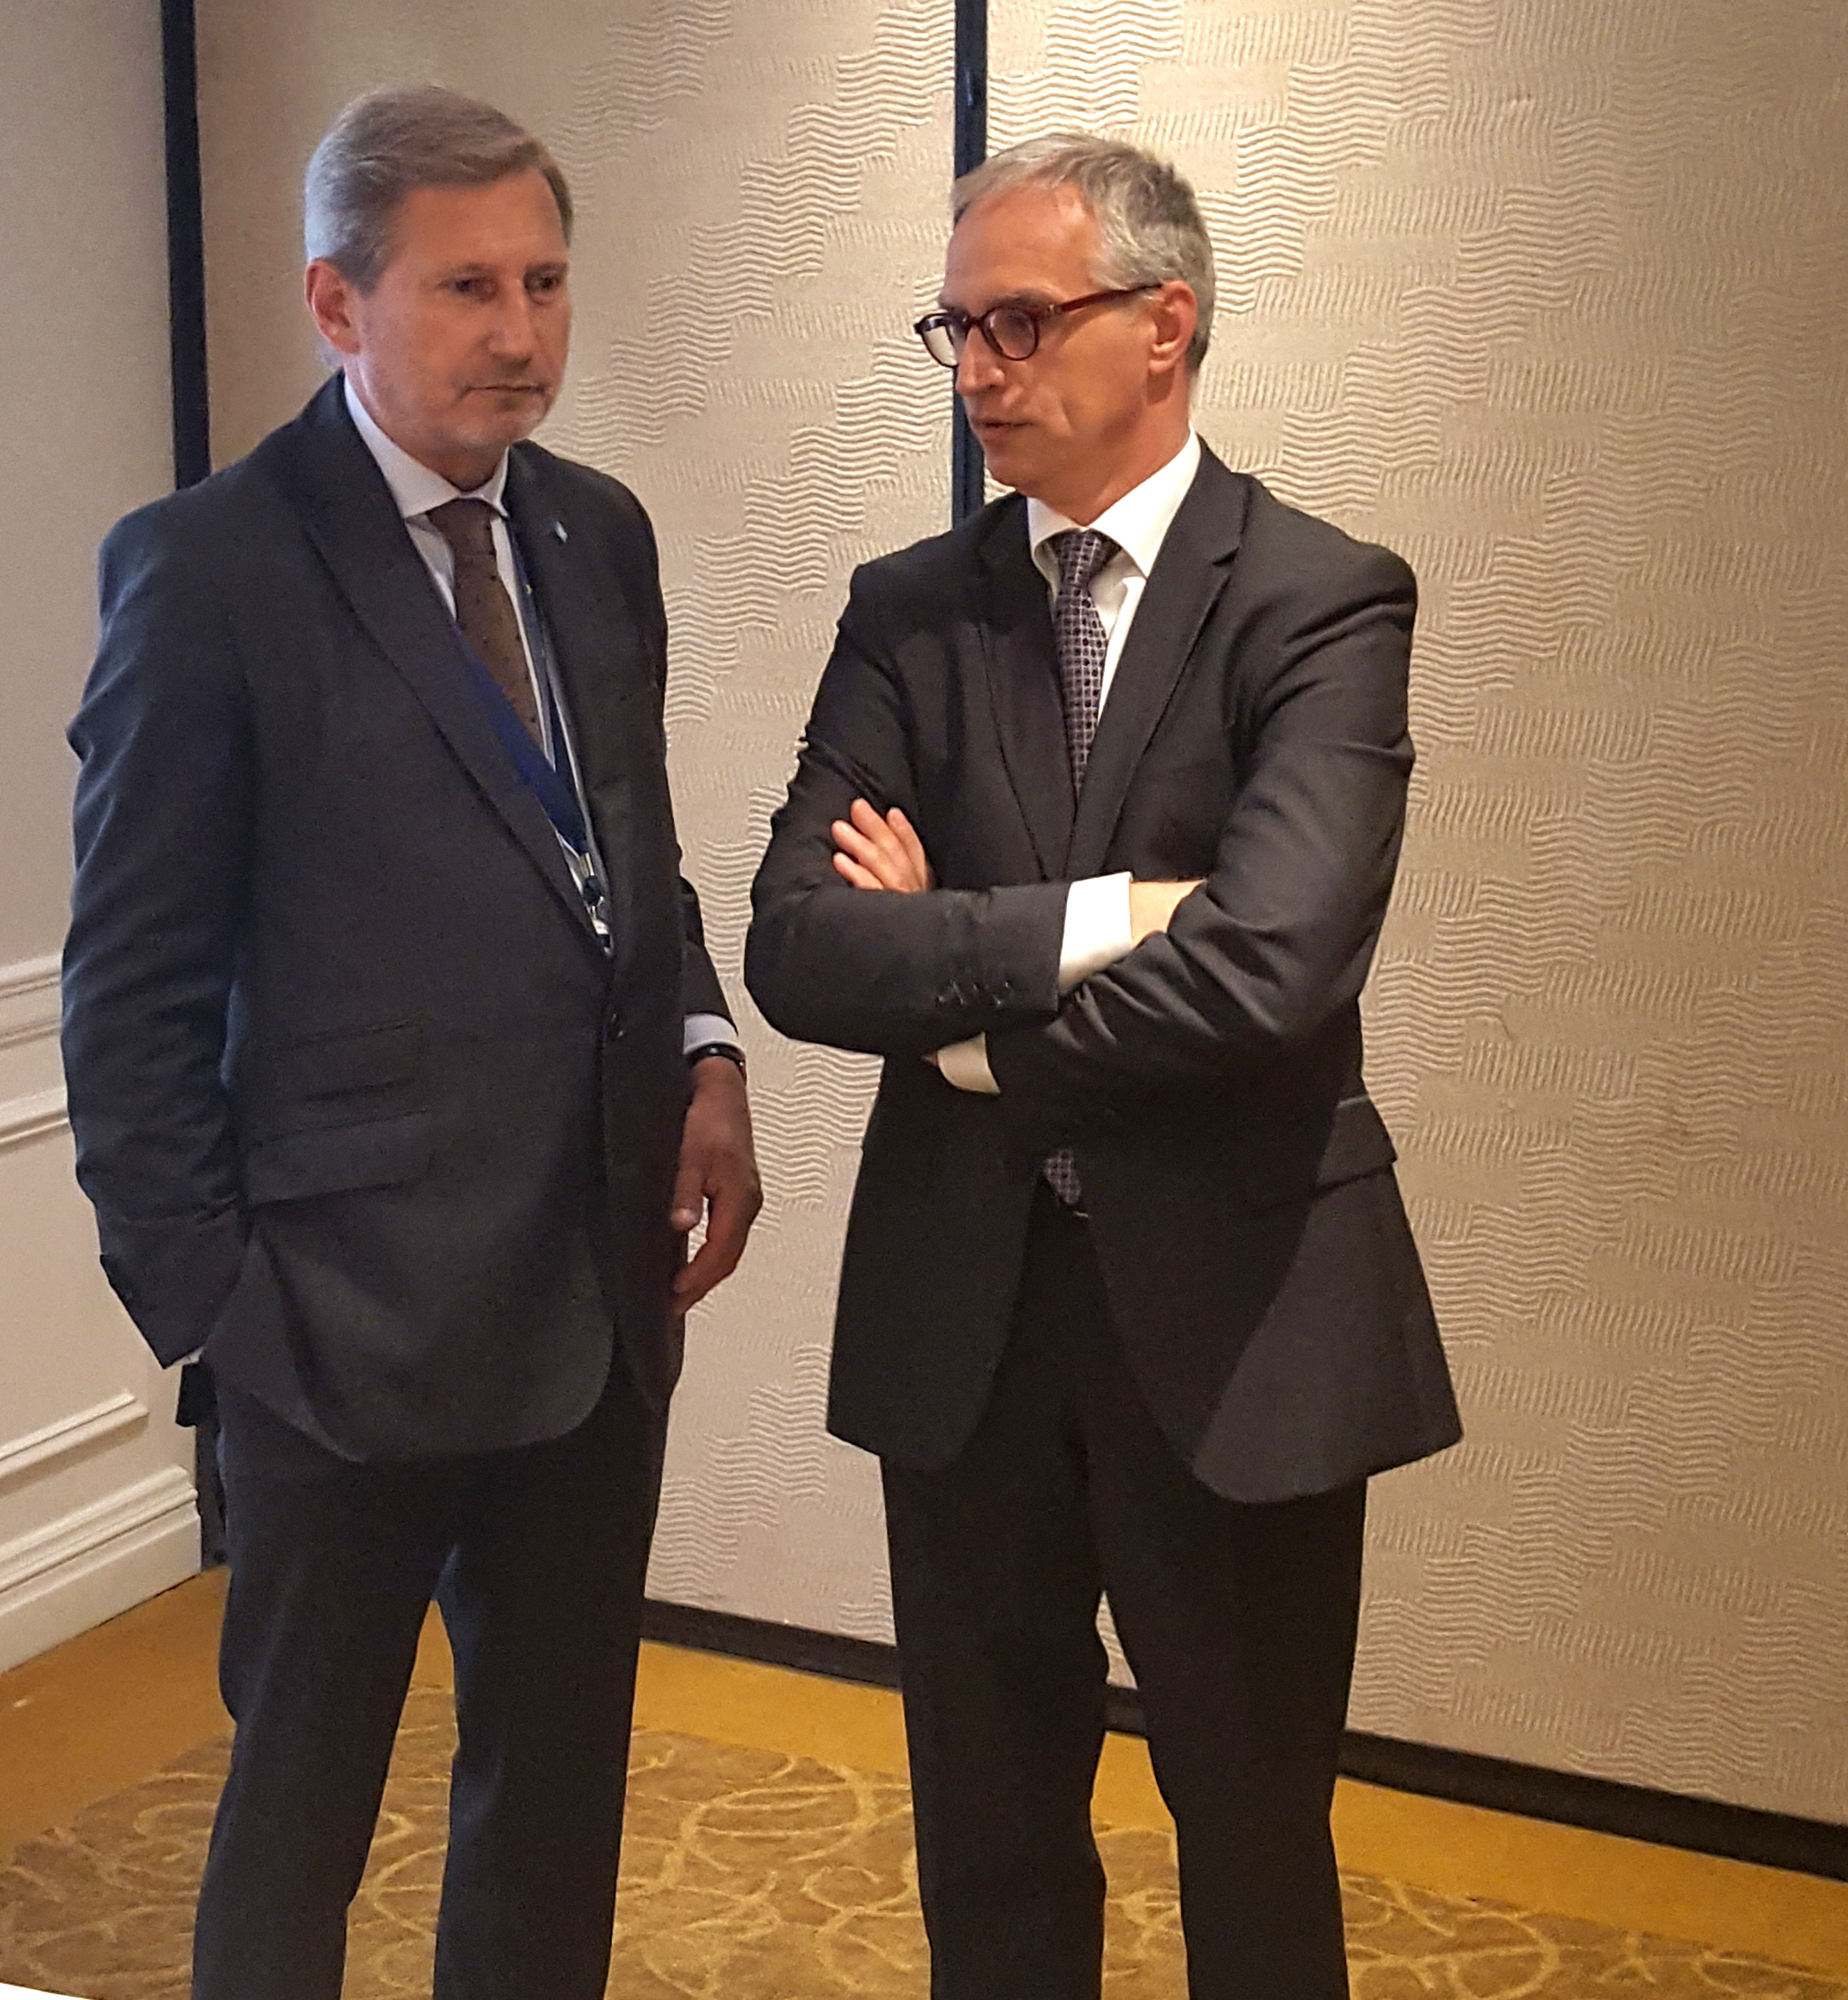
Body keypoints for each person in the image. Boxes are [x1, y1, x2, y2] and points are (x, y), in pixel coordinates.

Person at [61, 85, 761, 2000]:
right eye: (466, 287)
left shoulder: (597, 538)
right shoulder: (208, 568)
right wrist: (216, 1309)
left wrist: (707, 1051)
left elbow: (633, 848)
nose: (522, 331)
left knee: (553, 1812)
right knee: (299, 1822)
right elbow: (124, 987)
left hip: (594, 1313)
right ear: (336, 302)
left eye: (544, 281)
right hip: (334, 1337)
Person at [746, 133, 1461, 1999]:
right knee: (984, 1836)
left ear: (1168, 325)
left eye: (1019, 321)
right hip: (960, 1320)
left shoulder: (1318, 598)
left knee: (1251, 1838)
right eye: (955, 327)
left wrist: (971, 1029)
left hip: (1235, 1315)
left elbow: (1276, 965)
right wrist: (1095, 923)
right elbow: (802, 944)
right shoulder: (910, 608)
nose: (978, 368)